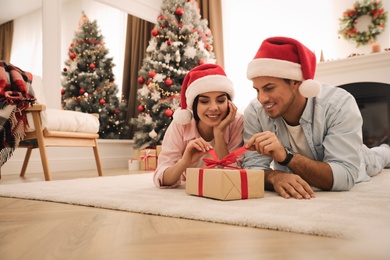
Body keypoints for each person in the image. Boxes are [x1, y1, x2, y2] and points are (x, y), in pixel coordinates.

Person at [243, 36, 390, 199]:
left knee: (376, 159)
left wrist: (286, 157)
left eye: (269, 88)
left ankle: (385, 150)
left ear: (296, 82)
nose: (262, 98)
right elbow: (252, 168)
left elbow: (344, 176)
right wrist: (274, 176)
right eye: (257, 90)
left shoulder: (339, 104)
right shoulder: (255, 112)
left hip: (360, 158)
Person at [154, 63, 244, 188]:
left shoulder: (237, 122)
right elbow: (163, 179)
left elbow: (234, 178)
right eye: (204, 101)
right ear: (194, 105)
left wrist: (219, 134)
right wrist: (184, 162)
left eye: (221, 100)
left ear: (229, 102)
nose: (214, 108)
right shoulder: (181, 123)